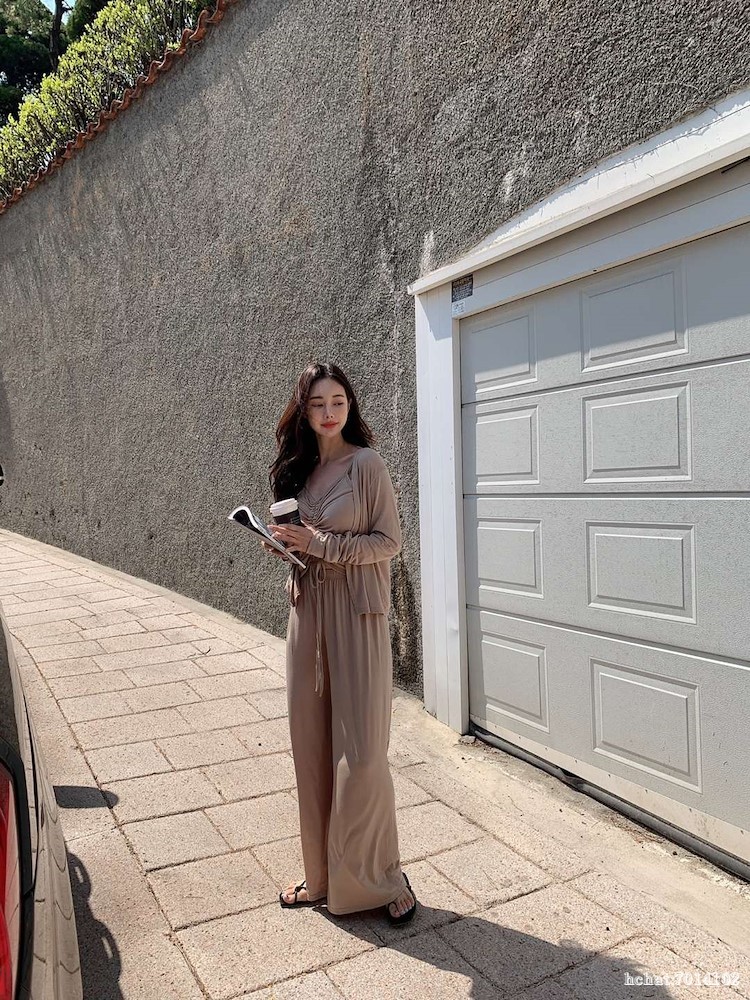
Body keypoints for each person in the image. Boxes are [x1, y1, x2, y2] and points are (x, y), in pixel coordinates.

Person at [264, 361, 417, 924]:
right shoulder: (299, 472)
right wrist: (287, 549)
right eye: (317, 404)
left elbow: (388, 542)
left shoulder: (366, 465)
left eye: (338, 401)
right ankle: (321, 876)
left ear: (349, 405)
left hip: (357, 615)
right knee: (311, 749)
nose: (329, 413)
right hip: (308, 615)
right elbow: (305, 546)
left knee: (364, 755)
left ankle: (381, 877)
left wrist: (320, 544)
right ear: (303, 412)